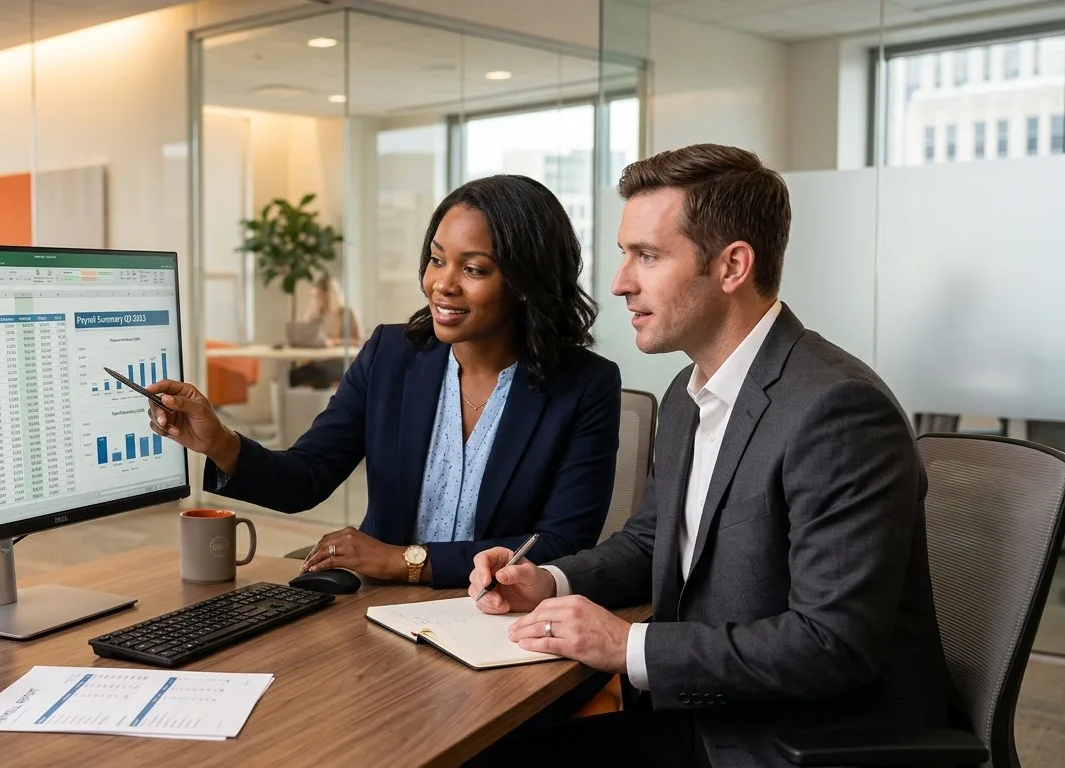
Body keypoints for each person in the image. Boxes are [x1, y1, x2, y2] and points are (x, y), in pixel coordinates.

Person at [467, 145, 952, 767]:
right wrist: (548, 581)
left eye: (647, 256)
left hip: (801, 742)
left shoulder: (837, 410)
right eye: (624, 256)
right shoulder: (691, 390)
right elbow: (652, 542)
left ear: (732, 267)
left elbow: (831, 644)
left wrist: (628, 647)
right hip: (706, 718)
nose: (620, 283)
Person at [149, 175, 622, 587]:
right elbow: (306, 477)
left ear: (525, 284)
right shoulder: (391, 355)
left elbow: (561, 544)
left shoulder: (584, 385)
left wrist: (405, 561)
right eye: (437, 260)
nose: (443, 284)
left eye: (473, 269)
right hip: (380, 614)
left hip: (500, 618)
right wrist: (220, 441)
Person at [288, 274, 363, 389]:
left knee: (321, 377)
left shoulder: (348, 313)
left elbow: (360, 342)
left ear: (329, 295)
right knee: (292, 375)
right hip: (320, 363)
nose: (317, 299)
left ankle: (326, 406)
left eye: (318, 295)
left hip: (341, 363)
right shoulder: (318, 315)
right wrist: (312, 311)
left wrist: (335, 342)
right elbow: (306, 334)